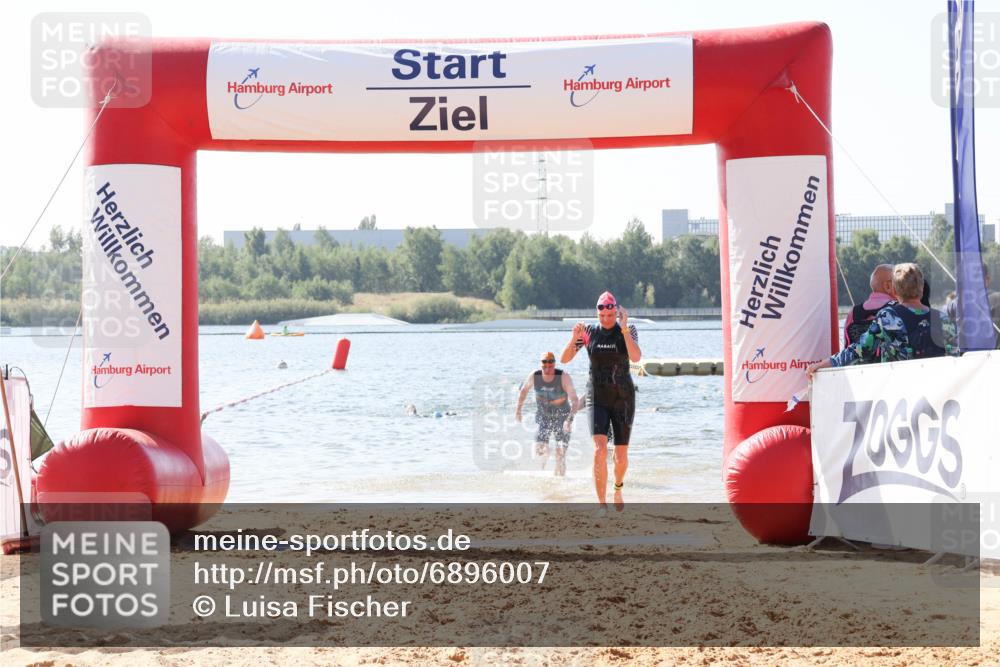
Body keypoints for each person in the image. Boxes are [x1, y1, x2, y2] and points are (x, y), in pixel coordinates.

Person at [561, 291, 641, 515]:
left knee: (621, 456)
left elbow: (635, 357)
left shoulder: (628, 329)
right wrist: (573, 337)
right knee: (599, 450)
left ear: (616, 312)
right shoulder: (588, 332)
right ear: (597, 313)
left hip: (623, 398)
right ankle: (602, 504)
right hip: (597, 396)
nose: (606, 320)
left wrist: (624, 327)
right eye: (602, 316)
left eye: (610, 316)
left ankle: (617, 488)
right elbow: (565, 358)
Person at [808, 263, 955, 378]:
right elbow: (955, 356)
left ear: (895, 290)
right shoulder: (942, 318)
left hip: (900, 392)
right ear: (922, 288)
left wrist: (825, 364)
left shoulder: (888, 317)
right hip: (938, 391)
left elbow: (859, 349)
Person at [515, 352, 579, 477]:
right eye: (545, 362)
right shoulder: (535, 375)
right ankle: (547, 456)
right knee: (539, 449)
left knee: (561, 456)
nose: (548, 365)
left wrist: (569, 419)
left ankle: (559, 486)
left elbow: (575, 400)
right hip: (544, 416)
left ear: (555, 363)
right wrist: (518, 411)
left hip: (562, 417)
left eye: (551, 362)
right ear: (540, 363)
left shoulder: (563, 376)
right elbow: (523, 391)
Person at [843, 264, 895, 346]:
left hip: (856, 357)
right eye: (900, 283)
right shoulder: (897, 310)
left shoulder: (853, 313)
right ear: (887, 286)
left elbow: (847, 345)